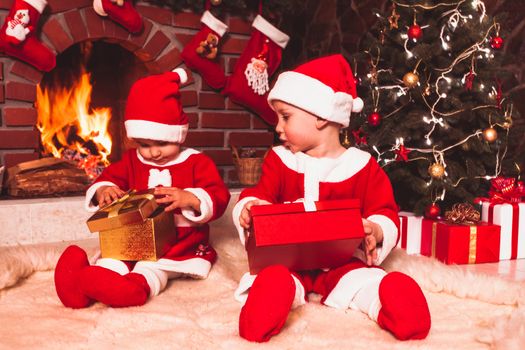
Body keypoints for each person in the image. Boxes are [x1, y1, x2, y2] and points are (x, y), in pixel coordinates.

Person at [232, 54, 431, 342]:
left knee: (362, 280)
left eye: (285, 117)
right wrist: (251, 208)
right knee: (275, 277)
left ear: (322, 116)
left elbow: (384, 211)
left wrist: (375, 229)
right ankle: (269, 302)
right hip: (288, 259)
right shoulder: (279, 161)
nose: (277, 128)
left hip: (342, 260)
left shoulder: (361, 166)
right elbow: (259, 194)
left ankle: (392, 305)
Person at [54, 69, 230, 309]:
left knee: (152, 266)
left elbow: (218, 195)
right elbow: (108, 177)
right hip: (133, 237)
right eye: (145, 145)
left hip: (178, 241)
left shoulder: (196, 162)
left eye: (162, 143)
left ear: (178, 135)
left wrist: (189, 197)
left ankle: (135, 289)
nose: (153, 152)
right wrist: (105, 190)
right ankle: (83, 285)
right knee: (116, 258)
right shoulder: (132, 160)